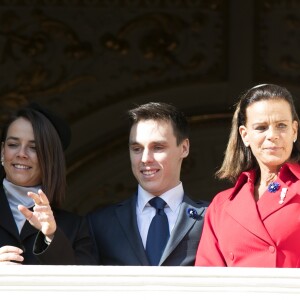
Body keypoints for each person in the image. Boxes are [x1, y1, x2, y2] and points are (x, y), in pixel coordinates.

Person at [88, 102, 208, 266]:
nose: (145, 159)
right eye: (137, 148)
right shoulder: (99, 223)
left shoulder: (211, 219)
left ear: (184, 148)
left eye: (158, 147)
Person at [195, 83, 300, 268]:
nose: (272, 135)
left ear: (294, 131)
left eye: (281, 125)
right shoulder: (221, 205)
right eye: (261, 127)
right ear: (245, 135)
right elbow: (208, 281)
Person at [0, 102, 96, 265]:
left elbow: (84, 287)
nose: (21, 154)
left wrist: (52, 236)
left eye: (34, 148)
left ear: (50, 159)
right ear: (2, 151)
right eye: (13, 145)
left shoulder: (75, 227)